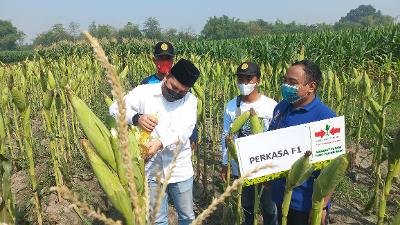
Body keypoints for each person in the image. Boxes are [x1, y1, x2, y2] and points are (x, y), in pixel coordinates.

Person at [109, 58, 200, 225]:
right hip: (151, 170)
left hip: (179, 169)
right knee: (157, 220)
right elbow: (114, 108)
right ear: (167, 76)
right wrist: (136, 118)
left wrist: (160, 143)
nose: (176, 93)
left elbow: (185, 130)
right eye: (173, 88)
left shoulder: (190, 101)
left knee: (187, 216)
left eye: (182, 92)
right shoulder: (144, 92)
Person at [268, 60, 336, 225]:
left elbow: (333, 170)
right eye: (285, 81)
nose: (286, 86)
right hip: (278, 193)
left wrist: (322, 206)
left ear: (311, 87)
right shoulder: (281, 107)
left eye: (292, 83)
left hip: (304, 202)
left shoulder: (325, 118)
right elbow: (270, 142)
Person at [220, 62, 278, 225]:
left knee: (269, 207)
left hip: (265, 166)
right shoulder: (231, 106)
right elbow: (226, 136)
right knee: (246, 205)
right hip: (241, 165)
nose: (244, 82)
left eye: (248, 78)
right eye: (240, 79)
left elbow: (276, 137)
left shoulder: (271, 105)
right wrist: (225, 163)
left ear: (257, 80)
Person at [141, 41, 199, 153]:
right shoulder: (146, 83)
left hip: (175, 141)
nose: (164, 62)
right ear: (154, 60)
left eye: (168, 59)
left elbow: (189, 115)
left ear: (173, 61)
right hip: (152, 140)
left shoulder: (182, 86)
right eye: (161, 59)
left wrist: (193, 136)